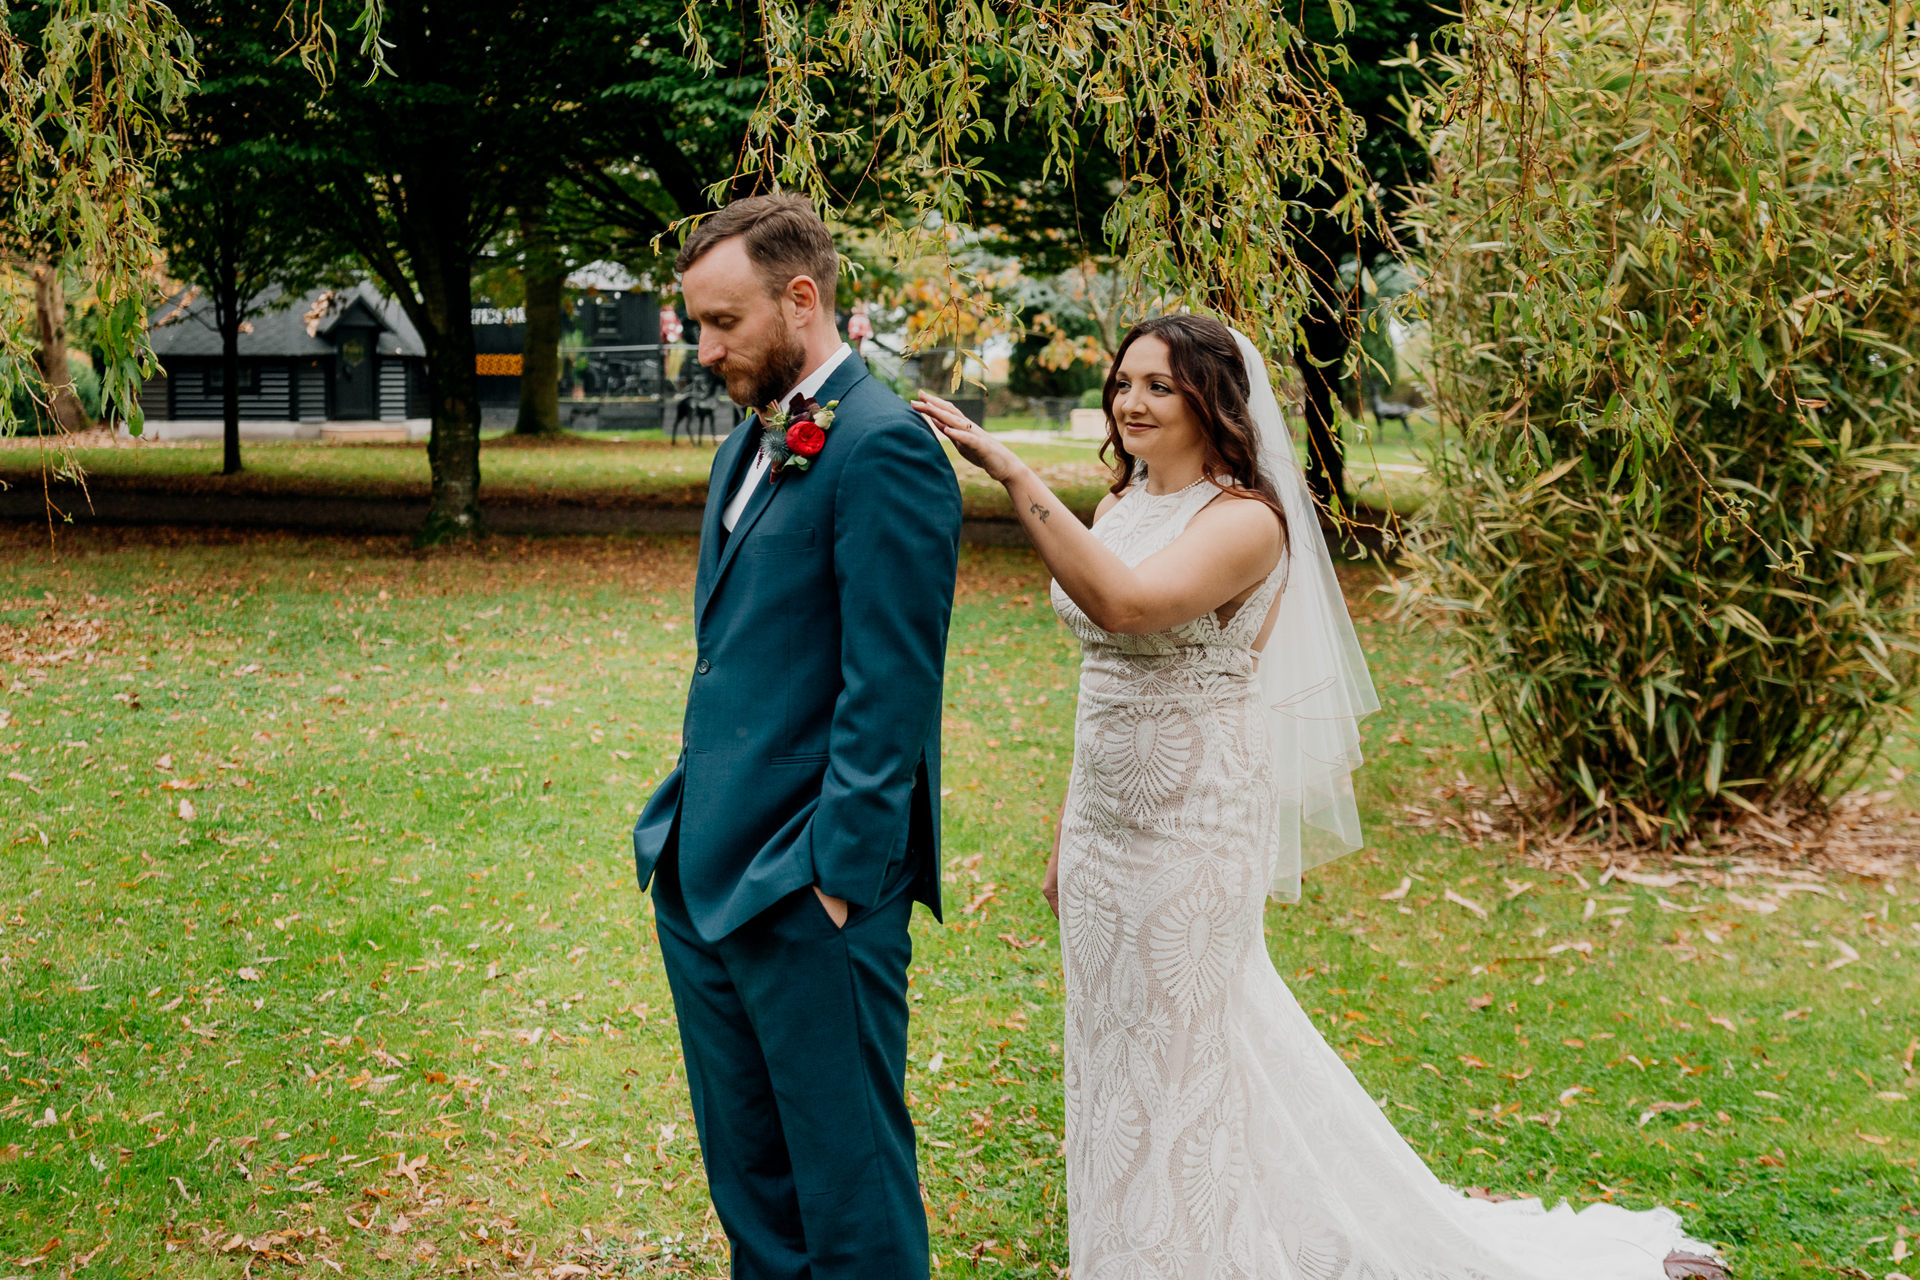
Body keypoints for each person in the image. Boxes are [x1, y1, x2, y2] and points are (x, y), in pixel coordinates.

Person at [915, 314, 1716, 1280]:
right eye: (1123, 381)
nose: (1130, 402)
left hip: (1194, 823)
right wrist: (1066, 835)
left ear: (1214, 401)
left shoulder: (1246, 522)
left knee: (1184, 1047)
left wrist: (1012, 473)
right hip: (1106, 823)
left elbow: (1123, 606)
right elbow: (1107, 683)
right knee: (1115, 1047)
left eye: (1160, 386)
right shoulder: (1123, 503)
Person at [634, 194, 962, 1280]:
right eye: (697, 323)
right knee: (756, 1194)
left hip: (809, 890)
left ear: (802, 297)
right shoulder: (747, 448)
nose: (705, 348)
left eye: (723, 322)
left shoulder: (883, 450)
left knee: (851, 1194)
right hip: (703, 873)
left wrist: (836, 878)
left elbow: (892, 684)